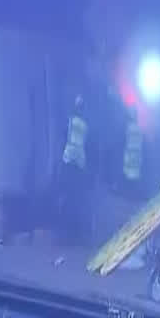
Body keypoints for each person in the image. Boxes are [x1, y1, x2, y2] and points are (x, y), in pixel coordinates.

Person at [56, 93, 89, 241]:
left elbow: (63, 137)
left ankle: (64, 233)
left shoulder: (70, 120)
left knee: (65, 196)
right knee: (77, 199)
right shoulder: (85, 125)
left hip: (68, 161)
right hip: (79, 164)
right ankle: (76, 233)